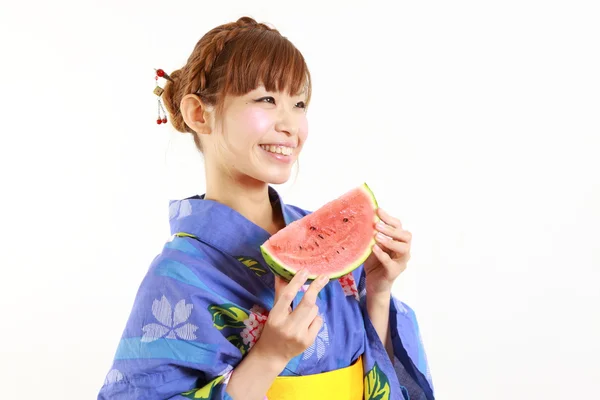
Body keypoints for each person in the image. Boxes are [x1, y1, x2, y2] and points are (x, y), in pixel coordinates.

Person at [98, 16, 434, 400]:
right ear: (197, 114)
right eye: (267, 100)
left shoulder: (325, 242)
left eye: (299, 103)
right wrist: (269, 357)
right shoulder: (176, 275)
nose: (290, 125)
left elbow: (378, 376)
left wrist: (378, 290)